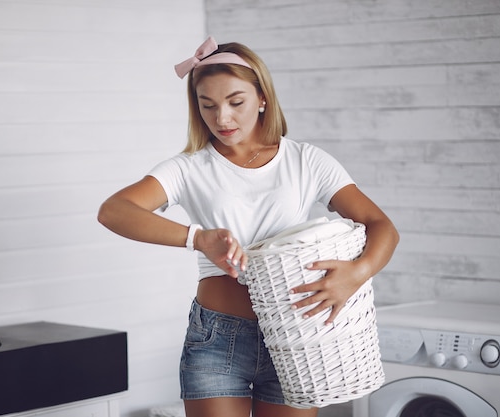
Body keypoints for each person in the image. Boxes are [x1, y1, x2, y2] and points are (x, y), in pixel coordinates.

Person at [98, 36, 399, 417]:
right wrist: (198, 238)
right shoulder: (189, 168)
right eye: (208, 106)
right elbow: (114, 211)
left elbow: (381, 226)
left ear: (262, 99)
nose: (222, 118)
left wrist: (357, 273)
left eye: (235, 102)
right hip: (217, 339)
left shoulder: (306, 160)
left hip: (300, 337)